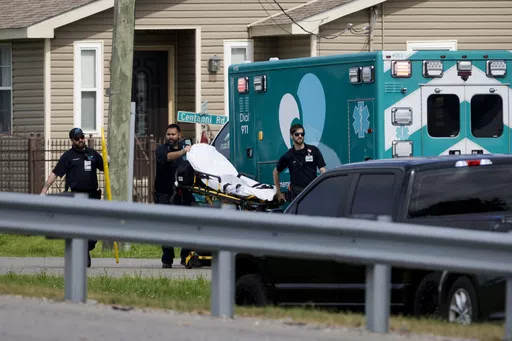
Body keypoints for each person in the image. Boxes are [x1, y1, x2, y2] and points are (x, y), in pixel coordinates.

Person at [40, 127, 104, 268]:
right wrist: (44, 189)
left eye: (82, 137)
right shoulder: (68, 156)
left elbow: (103, 166)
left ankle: (86, 247)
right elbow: (55, 173)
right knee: (81, 228)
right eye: (77, 138)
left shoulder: (92, 153)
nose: (80, 140)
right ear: (72, 140)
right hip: (75, 196)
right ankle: (83, 258)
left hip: (93, 196)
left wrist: (107, 161)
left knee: (94, 231)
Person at [154, 123, 194, 268]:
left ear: (179, 135)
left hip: (183, 194)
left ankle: (186, 257)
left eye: (173, 134)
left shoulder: (189, 152)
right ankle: (167, 259)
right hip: (164, 194)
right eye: (168, 134)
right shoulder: (161, 150)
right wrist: (183, 152)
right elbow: (168, 157)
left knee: (188, 225)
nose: (170, 137)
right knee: (166, 227)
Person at [273, 124, 326, 203]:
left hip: (313, 192)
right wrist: (279, 192)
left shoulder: (314, 150)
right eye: (297, 134)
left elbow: (323, 170)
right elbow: (275, 172)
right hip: (297, 195)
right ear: (291, 136)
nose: (300, 136)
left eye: (302, 134)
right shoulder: (288, 155)